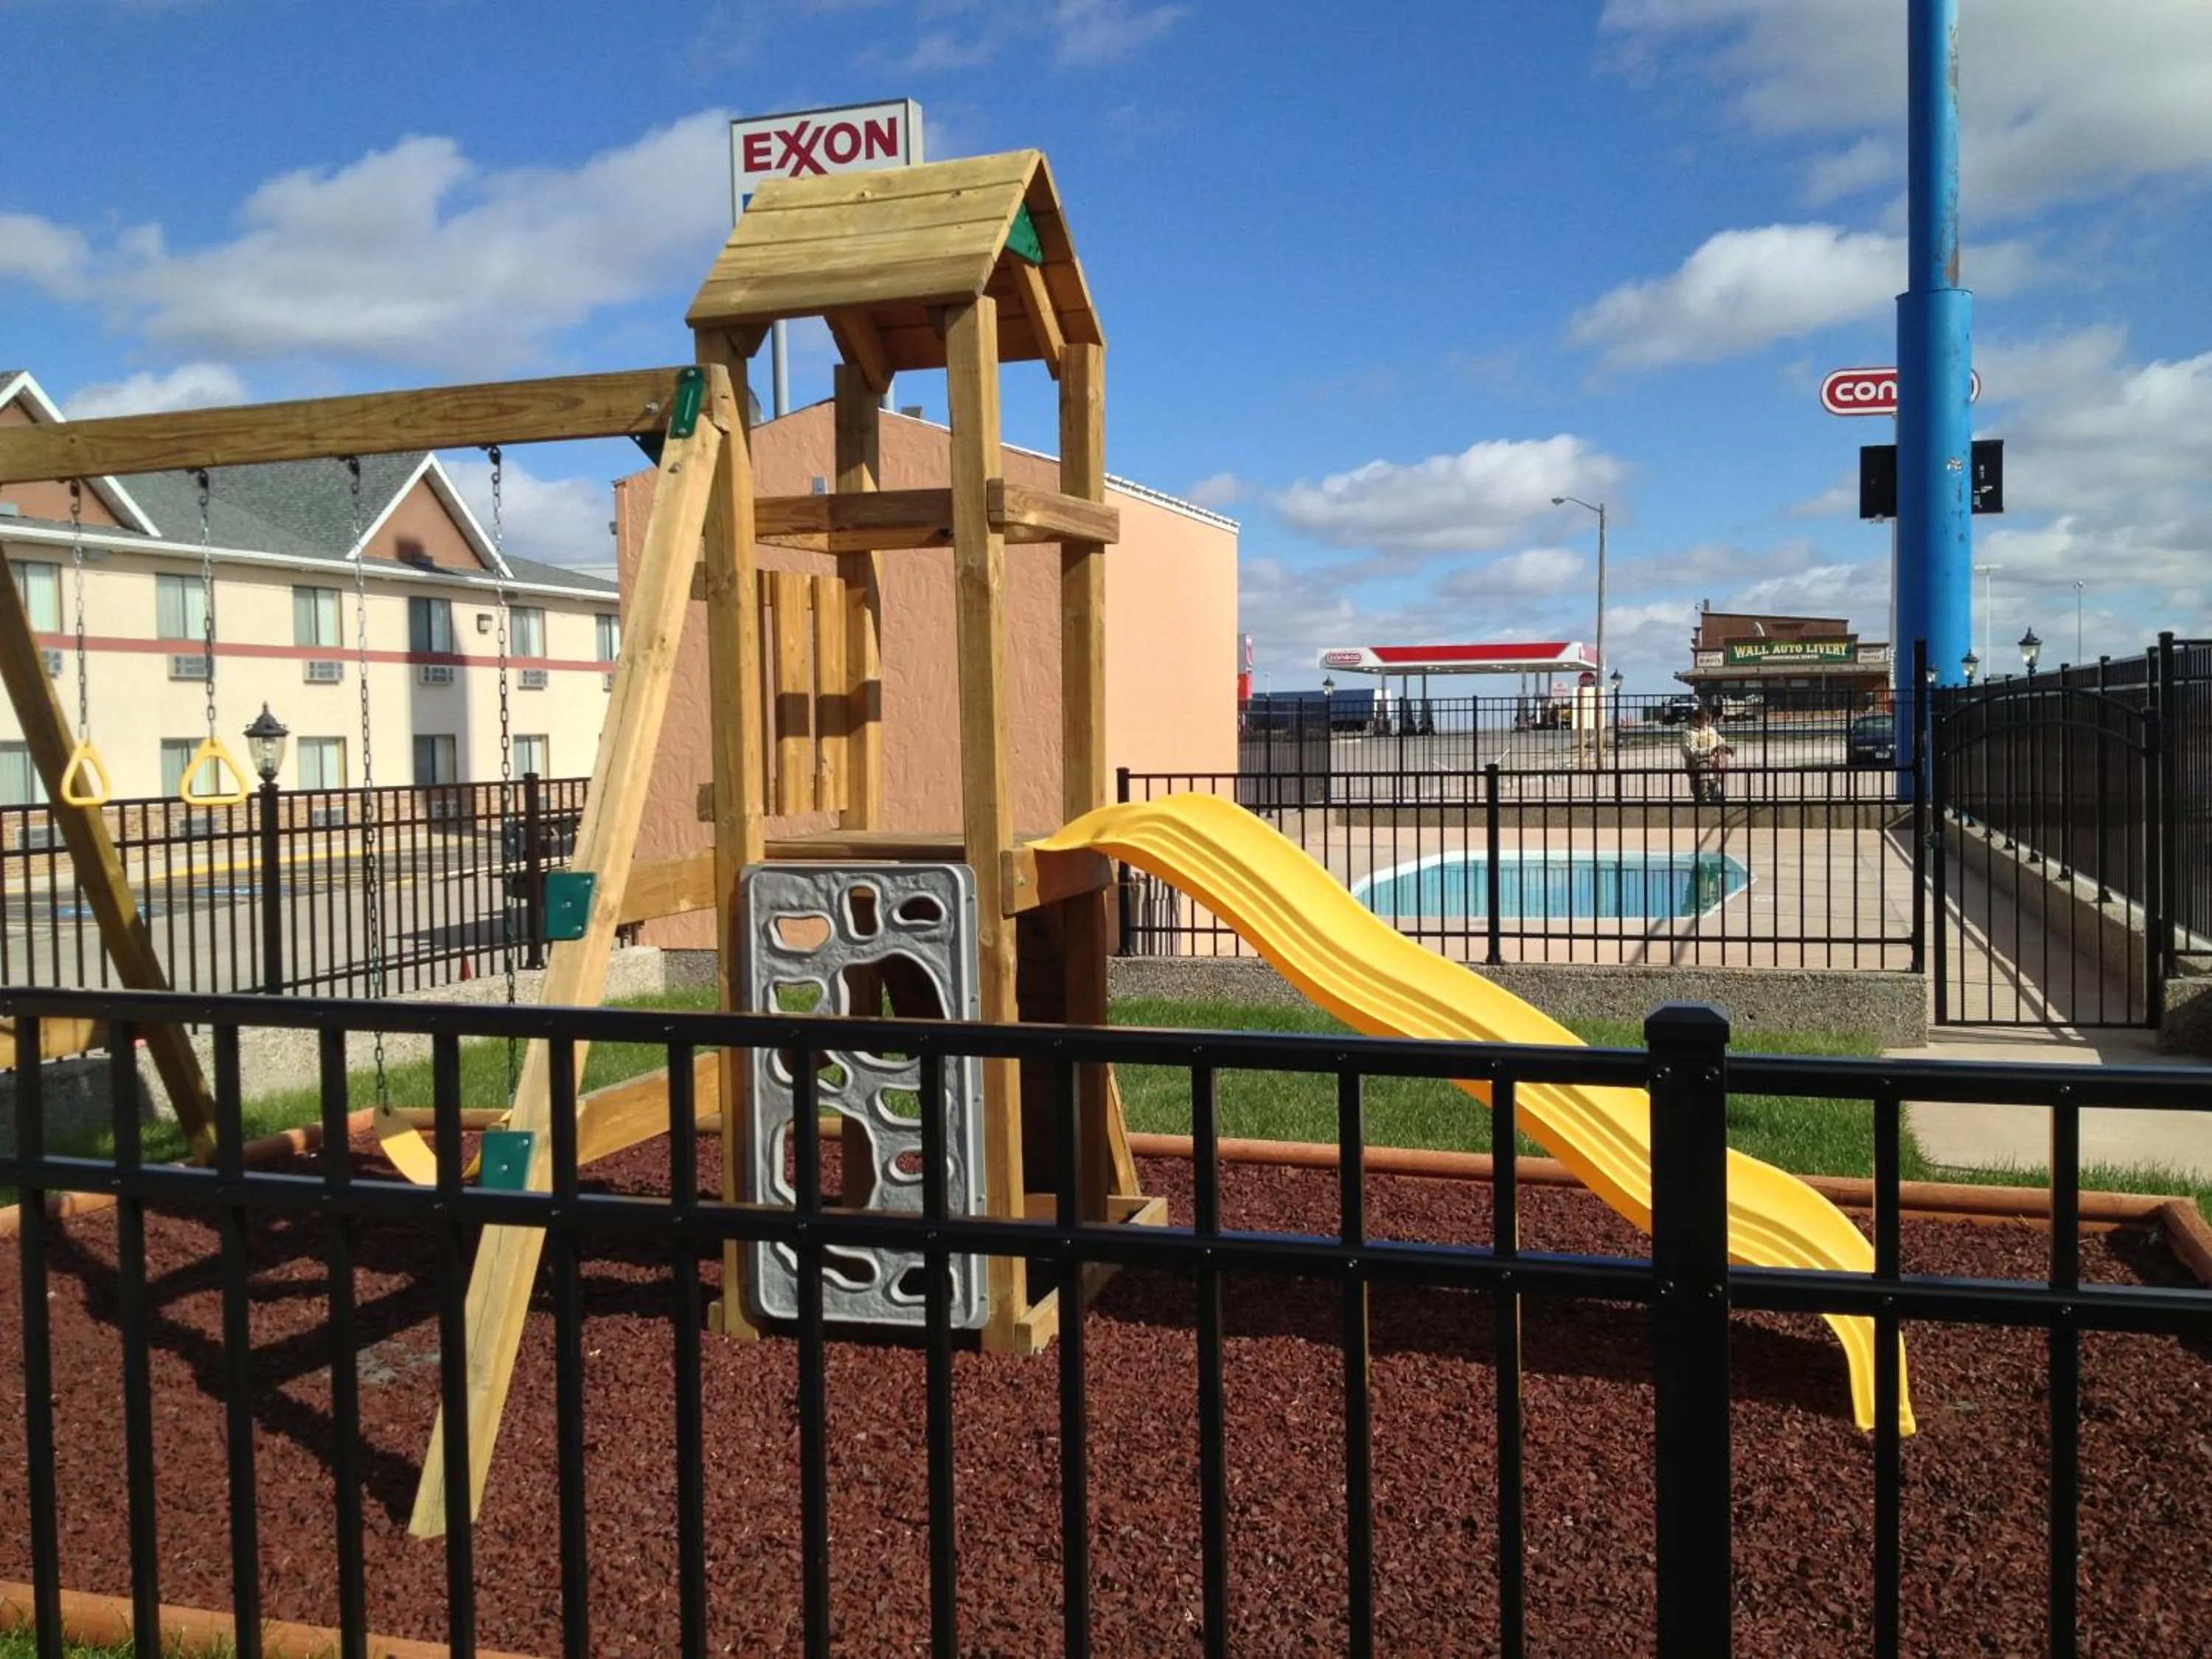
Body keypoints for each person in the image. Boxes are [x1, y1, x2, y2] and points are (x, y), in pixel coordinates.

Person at [1680, 705, 1732, 803]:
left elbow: (1720, 742)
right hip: (1699, 771)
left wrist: (1725, 748)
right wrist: (1711, 750)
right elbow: (1691, 752)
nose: (1706, 723)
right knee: (1703, 798)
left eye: (1707, 720)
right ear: (1696, 720)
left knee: (1718, 797)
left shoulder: (1711, 731)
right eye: (1704, 720)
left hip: (1715, 769)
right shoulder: (1689, 734)